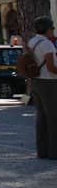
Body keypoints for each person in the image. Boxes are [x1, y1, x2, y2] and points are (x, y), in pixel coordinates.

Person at [27, 16, 57, 159]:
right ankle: (54, 151)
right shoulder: (47, 44)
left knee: (41, 117)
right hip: (49, 82)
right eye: (52, 28)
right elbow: (51, 67)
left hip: (36, 81)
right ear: (47, 29)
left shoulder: (32, 42)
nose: (53, 31)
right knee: (53, 117)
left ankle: (42, 150)